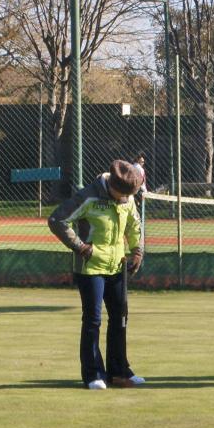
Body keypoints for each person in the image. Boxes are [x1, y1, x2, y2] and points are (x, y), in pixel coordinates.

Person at [48, 159, 145, 389]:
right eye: (121, 195)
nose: (124, 200)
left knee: (120, 318)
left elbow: (134, 225)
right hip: (91, 268)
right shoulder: (89, 196)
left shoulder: (127, 197)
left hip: (117, 266)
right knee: (93, 320)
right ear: (112, 186)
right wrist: (81, 247)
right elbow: (57, 219)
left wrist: (137, 251)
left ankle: (119, 372)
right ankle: (93, 374)